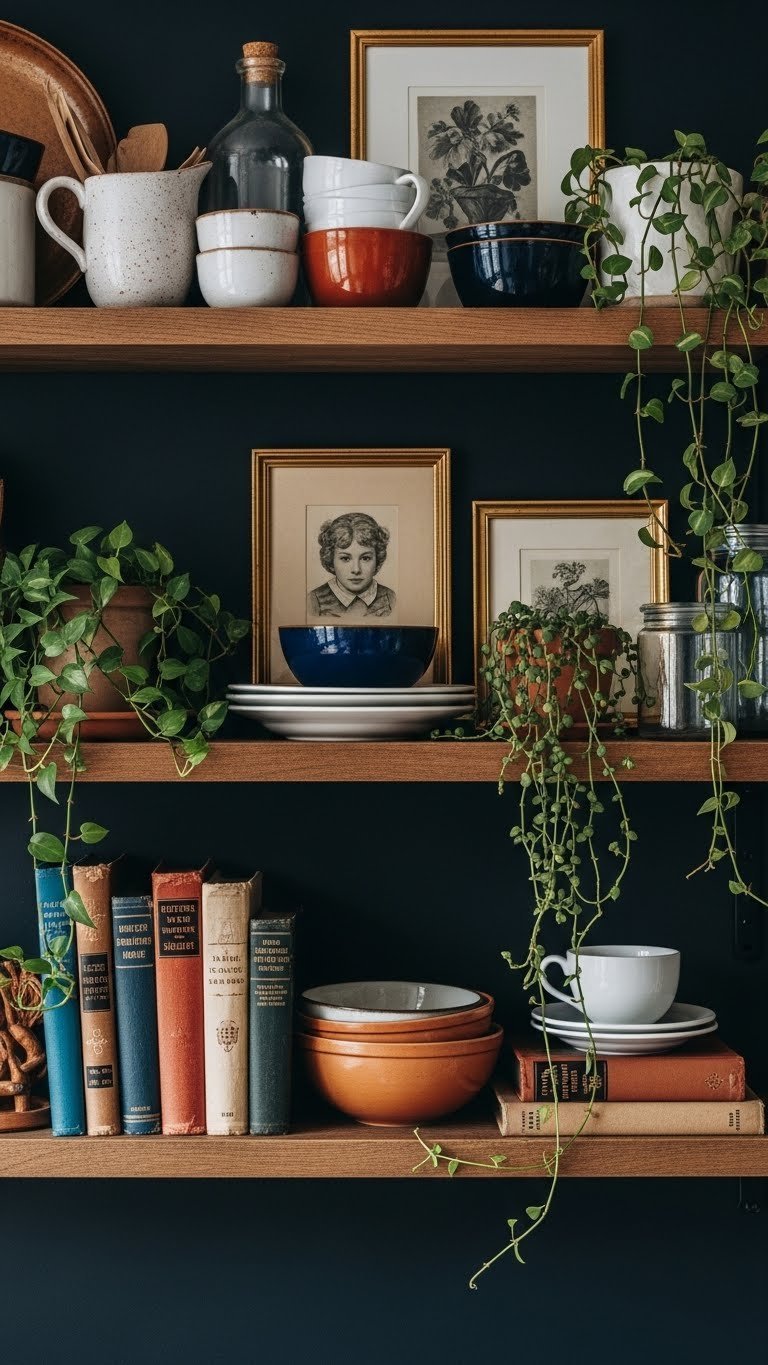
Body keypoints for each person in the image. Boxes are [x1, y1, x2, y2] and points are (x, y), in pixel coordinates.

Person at [307, 511, 397, 619]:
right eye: (345, 558)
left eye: (365, 558)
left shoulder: (390, 598)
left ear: (377, 558)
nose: (356, 570)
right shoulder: (314, 600)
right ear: (331, 559)